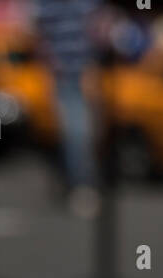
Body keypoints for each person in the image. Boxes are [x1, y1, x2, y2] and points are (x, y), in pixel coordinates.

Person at [31, 0, 102, 216]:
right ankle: (81, 186)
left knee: (88, 132)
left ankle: (80, 181)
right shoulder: (46, 5)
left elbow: (96, 27)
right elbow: (39, 35)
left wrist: (93, 68)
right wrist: (49, 66)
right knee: (76, 132)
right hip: (63, 76)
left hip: (85, 74)